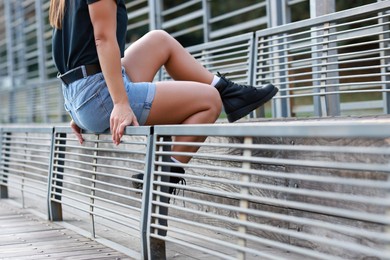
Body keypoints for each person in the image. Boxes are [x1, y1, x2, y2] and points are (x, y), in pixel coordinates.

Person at [49, 0, 278, 196]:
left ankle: (232, 93)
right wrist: (119, 103)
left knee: (159, 40)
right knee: (210, 102)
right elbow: (103, 40)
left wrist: (79, 106)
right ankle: (162, 179)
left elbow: (72, 48)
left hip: (83, 93)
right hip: (98, 93)